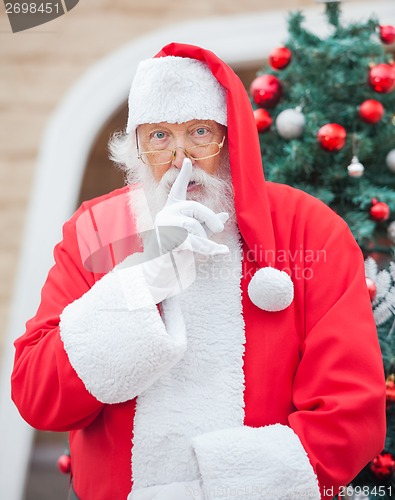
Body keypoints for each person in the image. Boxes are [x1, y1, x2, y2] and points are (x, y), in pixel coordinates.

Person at [11, 43, 386, 500]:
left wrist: (216, 489)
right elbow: (37, 394)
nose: (180, 157)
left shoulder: (308, 229)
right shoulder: (95, 229)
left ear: (233, 140)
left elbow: (348, 419)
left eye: (201, 132)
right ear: (136, 147)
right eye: (160, 137)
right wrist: (145, 279)